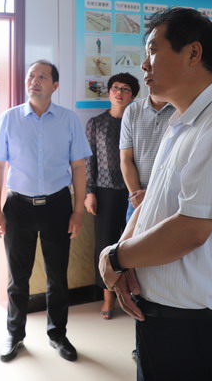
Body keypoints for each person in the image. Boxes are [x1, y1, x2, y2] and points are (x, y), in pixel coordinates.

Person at [99, 7, 212, 381]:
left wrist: (116, 257)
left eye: (152, 51)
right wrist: (121, 255)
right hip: (161, 318)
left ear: (193, 53)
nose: (143, 65)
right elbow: (150, 204)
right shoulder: (181, 122)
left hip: (202, 330)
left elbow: (192, 229)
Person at [0, 60, 92, 363]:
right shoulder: (10, 118)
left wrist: (78, 211)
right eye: (31, 76)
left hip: (57, 206)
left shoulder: (68, 119)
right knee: (17, 278)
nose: (34, 80)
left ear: (55, 85)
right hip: (18, 207)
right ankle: (14, 334)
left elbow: (78, 167)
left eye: (42, 77)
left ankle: (58, 334)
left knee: (57, 276)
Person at [84, 72, 139, 319]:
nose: (119, 92)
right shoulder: (96, 123)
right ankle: (108, 297)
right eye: (116, 88)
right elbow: (89, 160)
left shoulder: (136, 122)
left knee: (131, 243)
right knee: (105, 244)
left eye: (125, 89)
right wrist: (89, 192)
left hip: (132, 190)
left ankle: (133, 292)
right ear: (109, 92)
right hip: (104, 191)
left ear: (133, 96)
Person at [120, 80, 175, 224]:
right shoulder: (132, 111)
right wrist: (137, 194)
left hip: (169, 194)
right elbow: (126, 159)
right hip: (137, 196)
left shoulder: (182, 110)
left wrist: (152, 195)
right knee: (134, 238)